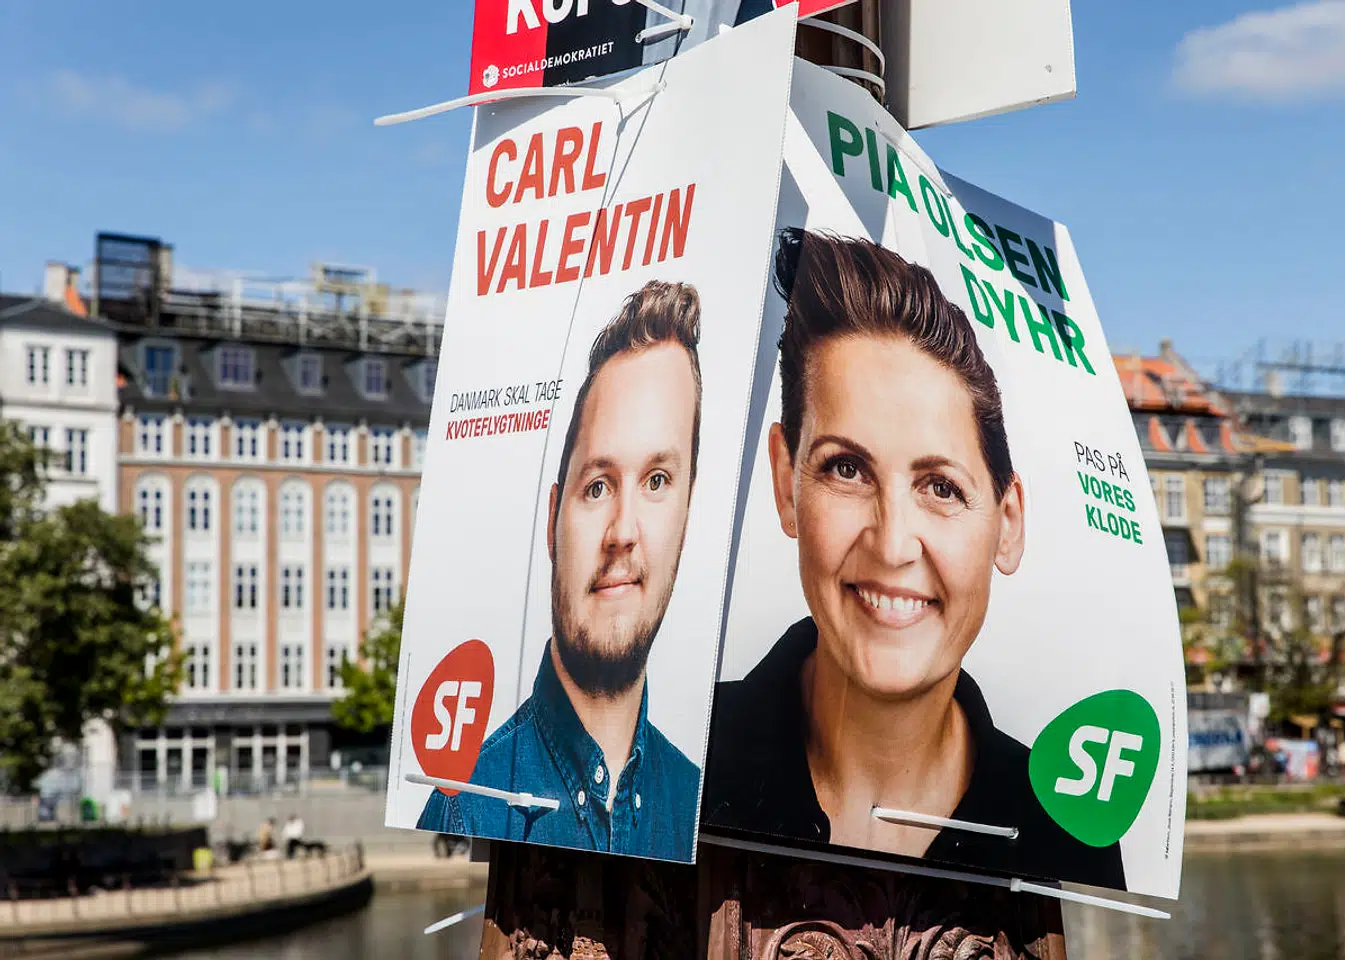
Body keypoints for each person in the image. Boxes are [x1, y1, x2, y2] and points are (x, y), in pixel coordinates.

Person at [702, 229, 1125, 889]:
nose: (893, 544)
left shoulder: (1062, 830)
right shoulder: (673, 771)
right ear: (786, 480)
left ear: (1007, 522)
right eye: (846, 468)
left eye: (941, 487)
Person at [417, 281, 705, 860]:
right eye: (597, 486)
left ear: (687, 511)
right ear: (553, 519)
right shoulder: (464, 801)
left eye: (657, 482)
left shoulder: (698, 800)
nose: (623, 531)